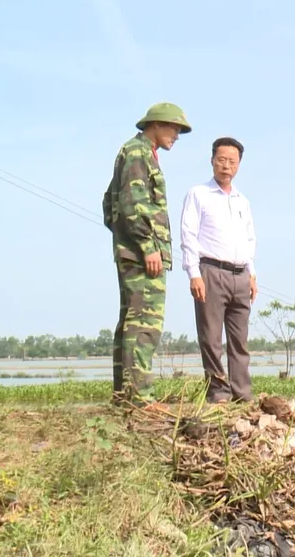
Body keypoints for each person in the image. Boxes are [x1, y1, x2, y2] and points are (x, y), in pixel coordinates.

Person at [102, 102, 192, 408]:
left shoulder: (136, 153)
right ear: (155, 124)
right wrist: (146, 245)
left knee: (132, 321)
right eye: (174, 128)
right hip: (142, 254)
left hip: (134, 251)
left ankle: (125, 393)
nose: (177, 136)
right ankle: (138, 397)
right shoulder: (138, 152)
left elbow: (109, 204)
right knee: (144, 325)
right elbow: (132, 203)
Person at [179, 137, 257, 404]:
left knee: (240, 340)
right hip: (210, 271)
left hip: (240, 275)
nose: (226, 166)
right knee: (211, 336)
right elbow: (188, 235)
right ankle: (218, 393)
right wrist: (193, 273)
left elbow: (249, 239)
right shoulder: (198, 194)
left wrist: (252, 272)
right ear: (212, 160)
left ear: (239, 165)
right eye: (221, 160)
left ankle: (242, 394)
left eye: (232, 162)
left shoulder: (241, 201)